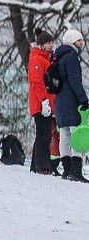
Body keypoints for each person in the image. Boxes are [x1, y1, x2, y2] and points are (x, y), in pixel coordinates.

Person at [52, 29, 89, 182]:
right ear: (71, 41)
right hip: (71, 100)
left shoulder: (58, 57)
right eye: (79, 40)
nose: (82, 43)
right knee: (77, 133)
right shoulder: (72, 57)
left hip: (60, 100)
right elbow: (75, 81)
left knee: (65, 135)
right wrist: (83, 99)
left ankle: (66, 169)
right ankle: (76, 170)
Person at [27, 29, 56, 175]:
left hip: (46, 103)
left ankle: (36, 165)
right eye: (47, 43)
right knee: (44, 134)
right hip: (40, 103)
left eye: (51, 42)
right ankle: (43, 166)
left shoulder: (46, 59)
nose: (51, 45)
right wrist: (44, 100)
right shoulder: (37, 59)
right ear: (41, 44)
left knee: (43, 134)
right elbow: (37, 82)